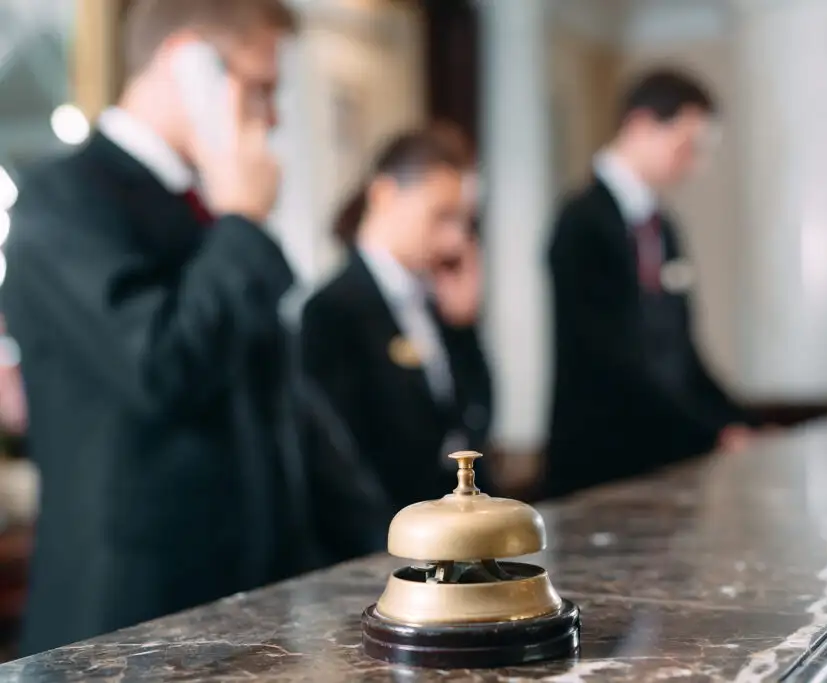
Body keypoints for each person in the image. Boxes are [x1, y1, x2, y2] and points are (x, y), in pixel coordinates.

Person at [2, 0, 311, 655]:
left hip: (244, 601)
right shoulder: (64, 199)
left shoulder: (207, 208)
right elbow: (162, 367)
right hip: (128, 619)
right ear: (188, 64)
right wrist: (245, 226)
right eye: (259, 89)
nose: (273, 116)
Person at [546, 69, 764, 498]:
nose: (695, 165)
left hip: (669, 458)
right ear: (642, 125)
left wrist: (739, 421)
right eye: (688, 147)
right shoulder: (581, 222)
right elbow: (611, 357)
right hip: (603, 463)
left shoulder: (663, 228)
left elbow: (682, 351)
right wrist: (710, 431)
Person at [301, 129, 492, 552]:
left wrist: (464, 328)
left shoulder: (435, 301)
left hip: (450, 538)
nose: (456, 240)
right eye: (441, 216)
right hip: (385, 546)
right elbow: (343, 462)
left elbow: (472, 422)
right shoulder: (330, 311)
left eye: (463, 220)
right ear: (386, 195)